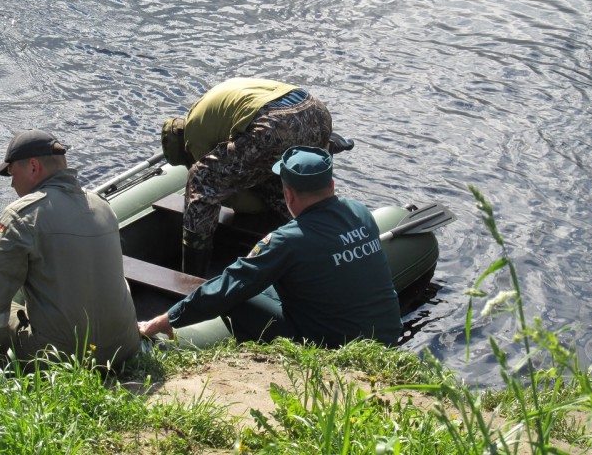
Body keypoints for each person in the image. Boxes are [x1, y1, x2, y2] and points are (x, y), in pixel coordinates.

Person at [138, 145, 403, 348]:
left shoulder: (288, 240)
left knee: (236, 296)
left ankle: (264, 358)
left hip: (330, 346)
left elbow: (229, 286)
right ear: (331, 185)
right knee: (276, 281)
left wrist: (166, 319)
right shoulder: (360, 212)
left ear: (288, 194)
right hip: (388, 336)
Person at [0, 129, 140, 369]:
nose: (13, 184)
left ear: (34, 167)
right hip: (124, 349)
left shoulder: (21, 216)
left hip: (61, 358)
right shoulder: (103, 206)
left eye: (13, 174)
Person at [160, 78, 333, 276]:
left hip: (277, 124)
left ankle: (191, 274)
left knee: (202, 179)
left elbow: (215, 187)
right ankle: (309, 239)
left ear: (183, 147)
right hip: (316, 111)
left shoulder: (194, 134)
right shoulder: (207, 108)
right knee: (274, 179)